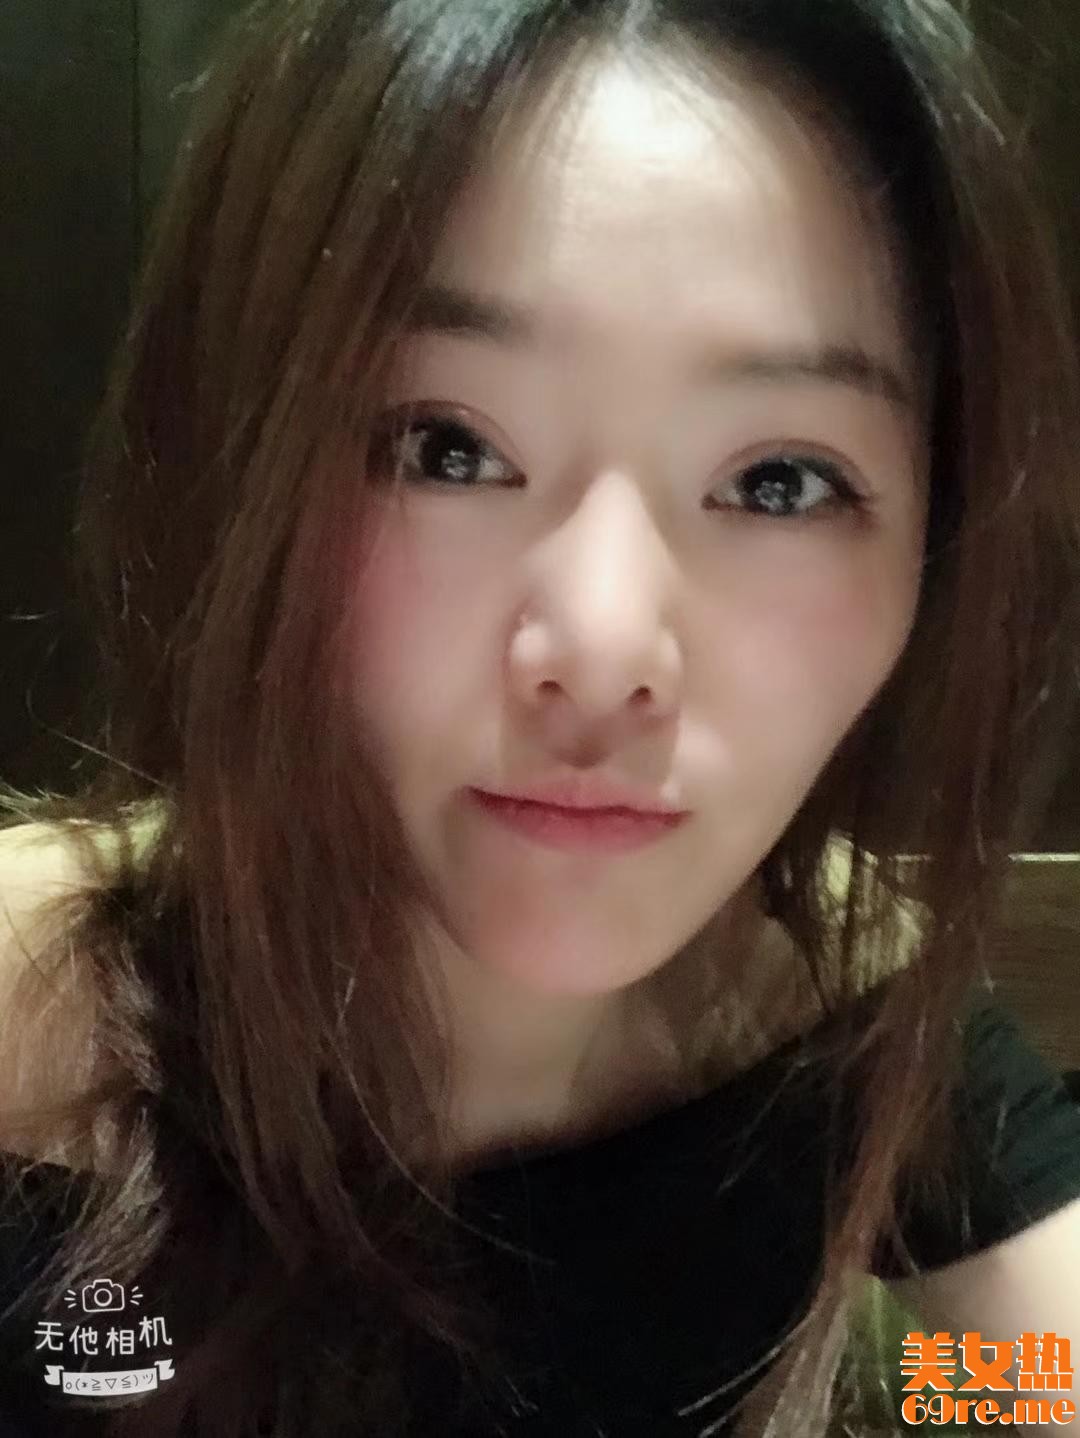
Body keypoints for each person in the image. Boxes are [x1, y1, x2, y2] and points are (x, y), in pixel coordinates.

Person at [1, 0, 1080, 1434]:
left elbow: (1044, 1374)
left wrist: (923, 1402)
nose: (602, 650)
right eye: (445, 448)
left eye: (781, 482)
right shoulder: (30, 1024)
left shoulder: (839, 1015)